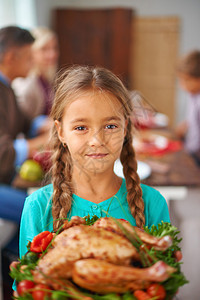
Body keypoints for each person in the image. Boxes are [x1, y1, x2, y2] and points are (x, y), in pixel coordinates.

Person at [19, 65, 170, 259]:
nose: (97, 141)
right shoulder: (38, 207)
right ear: (61, 131)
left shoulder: (152, 204)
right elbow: (28, 285)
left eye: (110, 126)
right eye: (81, 127)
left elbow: (165, 281)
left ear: (125, 129)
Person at [0, 26, 51, 223]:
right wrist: (44, 140)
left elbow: (24, 122)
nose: (33, 63)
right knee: (41, 210)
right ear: (11, 57)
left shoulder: (6, 87)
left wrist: (46, 125)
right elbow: (2, 152)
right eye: (29, 58)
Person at [12, 27, 59, 120]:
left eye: (54, 48)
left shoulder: (45, 78)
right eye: (44, 49)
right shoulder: (25, 84)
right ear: (31, 52)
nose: (52, 54)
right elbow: (21, 126)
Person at [176, 50, 200, 166]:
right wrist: (185, 125)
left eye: (187, 80)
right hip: (191, 149)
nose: (182, 84)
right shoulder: (193, 94)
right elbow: (194, 118)